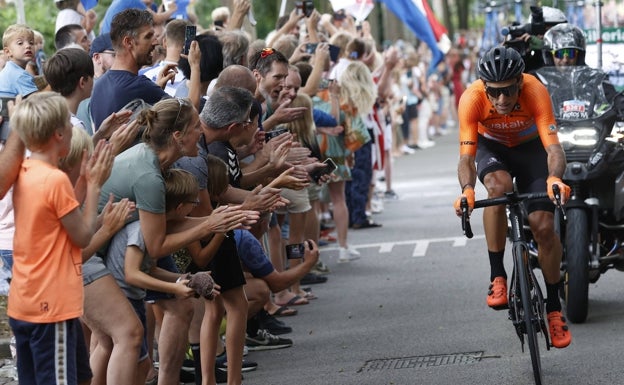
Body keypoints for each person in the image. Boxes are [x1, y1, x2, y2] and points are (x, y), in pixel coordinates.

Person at [453, 46, 572, 348]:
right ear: (484, 88)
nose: (502, 100)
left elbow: (554, 149)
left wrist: (555, 178)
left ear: (520, 82)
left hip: (531, 150)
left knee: (543, 226)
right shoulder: (471, 98)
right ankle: (498, 277)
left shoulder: (535, 91)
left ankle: (555, 308)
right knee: (497, 187)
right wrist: (467, 190)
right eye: (494, 92)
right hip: (492, 149)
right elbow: (466, 158)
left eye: (508, 91)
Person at [8, 91, 114, 384]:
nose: (73, 129)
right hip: (50, 309)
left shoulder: (26, 170)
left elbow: (56, 218)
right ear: (58, 134)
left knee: (77, 375)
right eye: (69, 125)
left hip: (25, 301)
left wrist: (82, 181)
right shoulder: (54, 180)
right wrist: (94, 186)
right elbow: (81, 235)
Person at [0, 24, 39, 98]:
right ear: (8, 52)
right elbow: (37, 103)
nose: (28, 46)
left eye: (31, 42)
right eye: (20, 43)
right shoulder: (20, 76)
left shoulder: (9, 70)